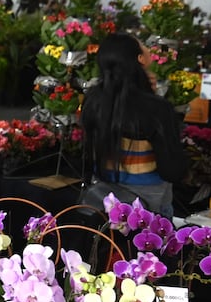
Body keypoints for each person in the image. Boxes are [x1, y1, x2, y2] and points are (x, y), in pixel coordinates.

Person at [81, 32, 188, 217]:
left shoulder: (93, 100)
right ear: (140, 59)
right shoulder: (157, 108)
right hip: (148, 207)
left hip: (103, 201)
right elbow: (172, 171)